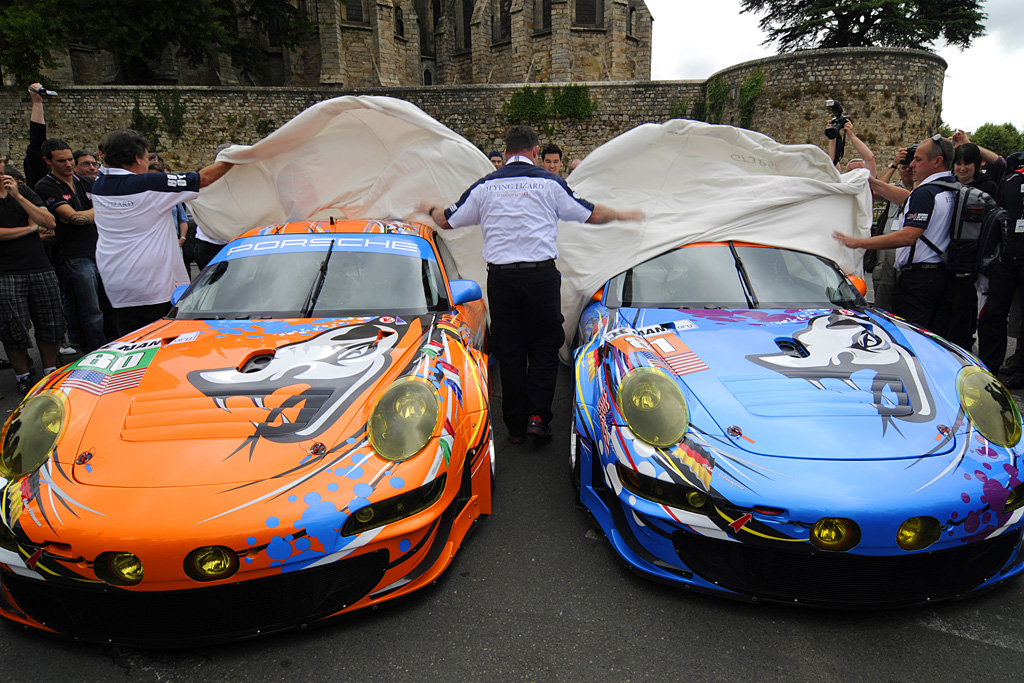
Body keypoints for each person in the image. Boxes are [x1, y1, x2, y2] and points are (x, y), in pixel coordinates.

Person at [422, 125, 644, 443]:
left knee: (510, 351)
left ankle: (514, 426)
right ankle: (537, 419)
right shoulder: (549, 183)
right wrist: (624, 215)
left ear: (507, 150)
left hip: (501, 279)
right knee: (542, 348)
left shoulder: (485, 186)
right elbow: (591, 214)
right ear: (536, 151)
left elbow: (447, 220)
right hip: (540, 278)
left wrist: (428, 208)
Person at [92, 129, 234, 336]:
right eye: (146, 157)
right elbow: (203, 179)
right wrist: (234, 158)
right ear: (136, 158)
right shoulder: (148, 185)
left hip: (115, 280)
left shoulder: (99, 184)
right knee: (162, 339)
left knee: (132, 341)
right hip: (152, 283)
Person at [835, 134, 957, 337]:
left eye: (918, 159)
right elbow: (905, 198)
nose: (912, 165)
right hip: (940, 275)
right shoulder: (948, 187)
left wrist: (859, 242)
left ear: (937, 162)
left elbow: (908, 236)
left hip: (919, 281)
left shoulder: (926, 193)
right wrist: (870, 181)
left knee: (914, 337)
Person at [34, 138, 108, 353]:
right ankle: (96, 350)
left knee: (108, 304)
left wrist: (85, 215)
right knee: (90, 309)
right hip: (75, 254)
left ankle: (110, 344)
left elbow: (106, 211)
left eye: (69, 159)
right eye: (61, 160)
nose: (67, 164)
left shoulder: (86, 182)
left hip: (100, 250)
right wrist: (91, 214)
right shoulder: (45, 185)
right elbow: (73, 218)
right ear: (48, 161)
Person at [0, 153, 61, 395]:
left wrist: (18, 197)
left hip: (40, 267)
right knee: (13, 327)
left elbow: (49, 221)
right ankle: (23, 376)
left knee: (51, 321)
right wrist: (28, 228)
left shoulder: (23, 192)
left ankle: (50, 372)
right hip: (5, 271)